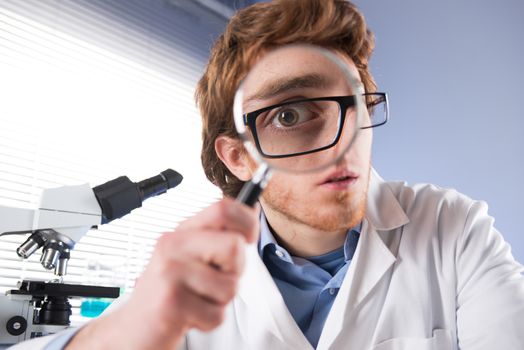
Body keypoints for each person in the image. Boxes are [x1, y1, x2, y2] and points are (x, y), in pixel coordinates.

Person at [14, 0, 524, 349]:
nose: (344, 141)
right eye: (288, 115)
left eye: (354, 106)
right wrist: (128, 329)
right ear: (238, 158)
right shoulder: (195, 277)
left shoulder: (451, 228)